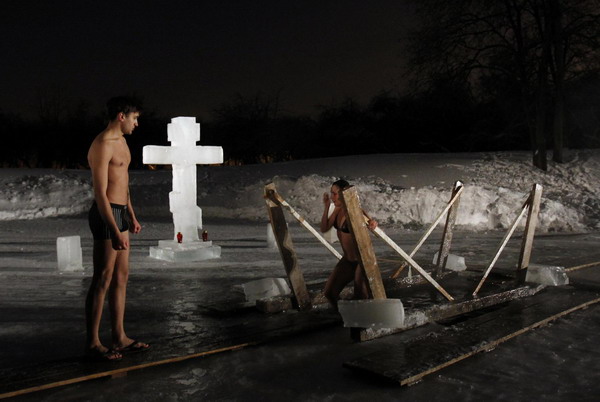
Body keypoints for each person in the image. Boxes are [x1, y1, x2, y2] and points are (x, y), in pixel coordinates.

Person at [85, 96, 149, 361]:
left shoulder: (122, 142)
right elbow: (100, 193)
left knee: (121, 277)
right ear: (121, 116)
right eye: (134, 118)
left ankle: (119, 336)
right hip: (105, 214)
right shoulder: (102, 145)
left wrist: (131, 215)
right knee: (103, 278)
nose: (136, 124)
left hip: (121, 212)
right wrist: (113, 228)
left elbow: (123, 182)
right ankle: (92, 343)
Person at [320, 179, 378, 309]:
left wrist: (373, 223)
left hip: (361, 260)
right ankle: (344, 317)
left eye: (335, 194)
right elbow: (324, 228)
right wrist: (326, 207)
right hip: (348, 260)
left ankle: (364, 321)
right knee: (329, 293)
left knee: (360, 294)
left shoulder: (356, 210)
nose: (332, 196)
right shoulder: (336, 211)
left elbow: (371, 224)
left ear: (343, 194)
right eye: (331, 193)